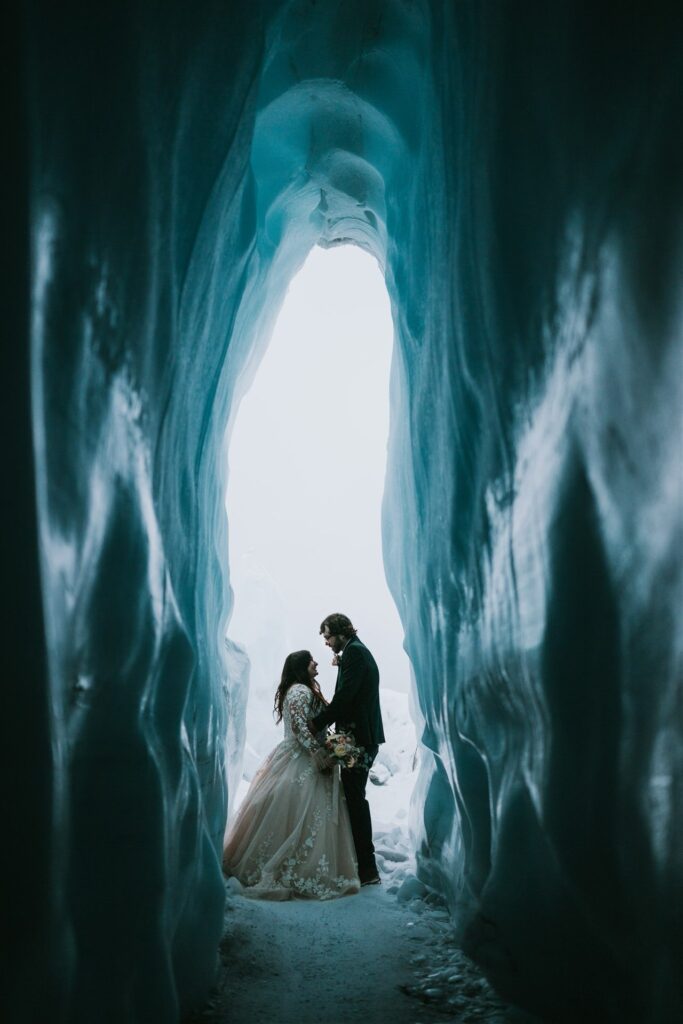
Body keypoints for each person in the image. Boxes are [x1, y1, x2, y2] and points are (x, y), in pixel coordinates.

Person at [222, 649, 360, 900]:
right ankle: (294, 867)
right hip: (301, 758)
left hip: (301, 755)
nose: (316, 663)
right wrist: (318, 752)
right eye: (311, 661)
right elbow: (298, 726)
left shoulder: (300, 689)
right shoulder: (299, 690)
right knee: (300, 812)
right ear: (301, 666)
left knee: (301, 814)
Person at [310, 613, 385, 886]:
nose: (327, 643)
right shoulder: (354, 651)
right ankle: (362, 865)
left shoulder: (355, 653)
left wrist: (318, 722)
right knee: (353, 797)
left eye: (328, 636)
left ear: (342, 632)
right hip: (358, 737)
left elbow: (345, 697)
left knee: (355, 799)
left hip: (360, 739)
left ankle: (367, 869)